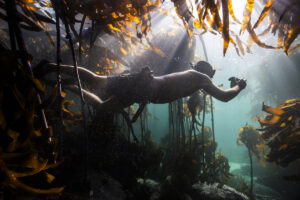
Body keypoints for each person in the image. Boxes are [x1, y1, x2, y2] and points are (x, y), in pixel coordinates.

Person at [35, 61, 246, 112]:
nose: (211, 78)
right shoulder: (201, 78)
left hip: (141, 89)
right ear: (206, 71)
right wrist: (239, 86)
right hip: (143, 86)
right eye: (212, 74)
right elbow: (225, 96)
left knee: (100, 100)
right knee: (97, 82)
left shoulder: (194, 76)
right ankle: (52, 66)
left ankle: (67, 83)